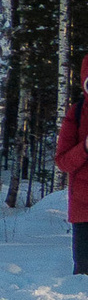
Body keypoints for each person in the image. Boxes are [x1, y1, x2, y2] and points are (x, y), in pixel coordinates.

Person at [57, 60, 88, 277]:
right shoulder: (76, 113)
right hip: (84, 210)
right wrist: (85, 147)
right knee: (82, 279)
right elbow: (63, 161)